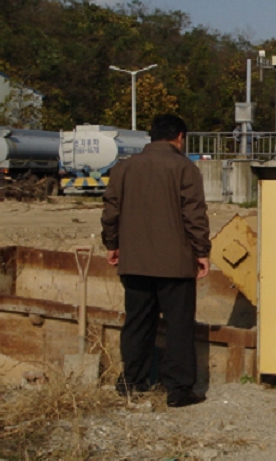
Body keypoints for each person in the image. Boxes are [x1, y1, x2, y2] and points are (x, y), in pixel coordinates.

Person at [101, 114, 211, 408]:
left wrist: (112, 244)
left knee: (137, 322)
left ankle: (132, 382)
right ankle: (178, 389)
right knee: (178, 326)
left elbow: (111, 210)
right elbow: (194, 214)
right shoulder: (184, 168)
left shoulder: (124, 169)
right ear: (179, 137)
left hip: (134, 261)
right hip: (175, 264)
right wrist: (202, 251)